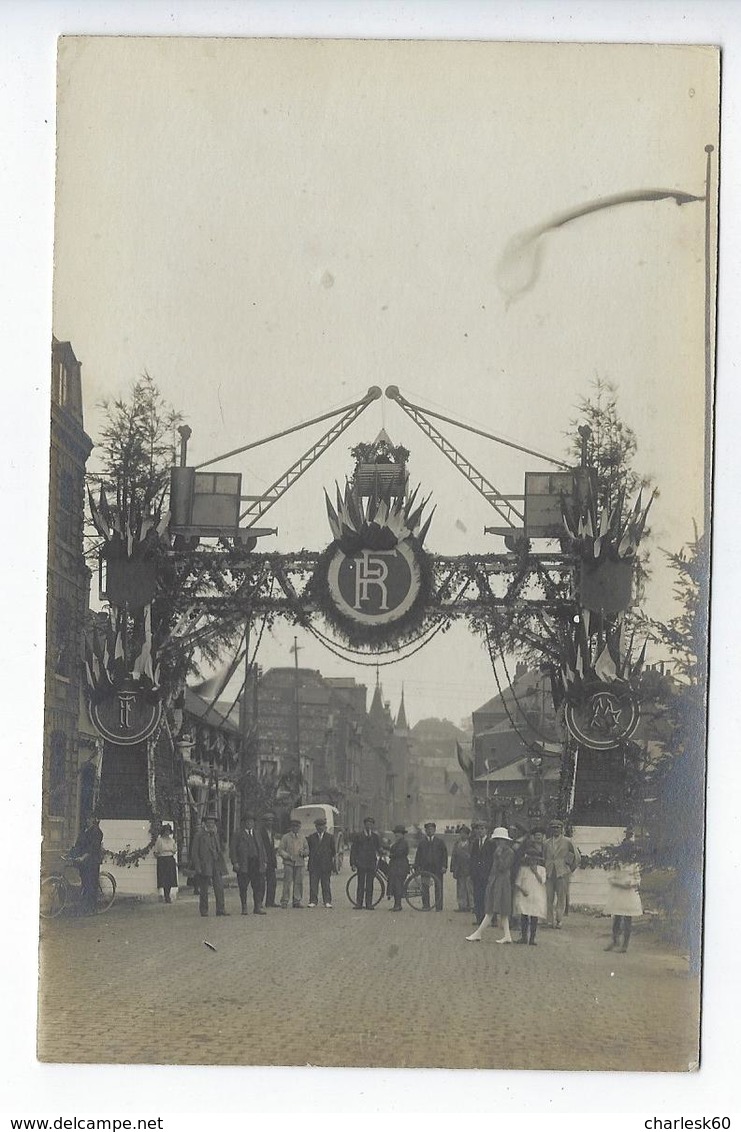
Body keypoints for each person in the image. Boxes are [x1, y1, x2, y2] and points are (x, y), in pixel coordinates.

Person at [466, 827, 515, 943]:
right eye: (497, 840)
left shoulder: (509, 852)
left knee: (491, 910)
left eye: (500, 840)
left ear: (505, 841)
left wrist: (498, 857)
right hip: (495, 881)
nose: (498, 842)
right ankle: (507, 935)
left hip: (502, 883)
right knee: (501, 910)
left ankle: (478, 933)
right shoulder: (498, 851)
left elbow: (504, 867)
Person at [603, 840, 643, 953]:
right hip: (618, 893)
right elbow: (610, 878)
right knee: (617, 918)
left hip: (629, 894)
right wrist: (620, 884)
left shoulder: (635, 865)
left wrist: (631, 883)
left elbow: (638, 879)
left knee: (628, 920)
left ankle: (625, 944)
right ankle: (615, 940)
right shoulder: (617, 863)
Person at [544, 819, 581, 928]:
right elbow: (544, 856)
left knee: (561, 897)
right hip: (549, 872)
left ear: (561, 829)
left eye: (557, 827)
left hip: (562, 873)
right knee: (548, 897)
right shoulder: (546, 842)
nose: (555, 830)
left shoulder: (567, 841)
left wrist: (569, 869)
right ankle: (549, 920)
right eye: (553, 827)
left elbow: (576, 856)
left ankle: (559, 920)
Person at [190, 816, 229, 917]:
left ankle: (220, 909)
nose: (211, 824)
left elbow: (219, 849)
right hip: (205, 864)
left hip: (216, 863)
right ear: (205, 823)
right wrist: (197, 866)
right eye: (209, 822)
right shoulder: (199, 835)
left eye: (212, 823)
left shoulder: (216, 834)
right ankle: (204, 910)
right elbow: (194, 852)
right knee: (204, 889)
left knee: (219, 887)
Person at [512, 832, 547, 945]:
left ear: (537, 860)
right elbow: (517, 882)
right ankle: (523, 937)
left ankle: (532, 938)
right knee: (524, 916)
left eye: (534, 860)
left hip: (536, 895)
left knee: (534, 917)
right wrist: (523, 890)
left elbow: (542, 881)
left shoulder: (541, 870)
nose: (532, 862)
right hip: (525, 895)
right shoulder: (523, 869)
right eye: (530, 860)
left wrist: (536, 872)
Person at [230, 811, 267, 915]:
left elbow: (262, 848)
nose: (250, 823)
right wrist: (235, 862)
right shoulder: (238, 834)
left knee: (257, 886)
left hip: (256, 863)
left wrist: (264, 861)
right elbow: (232, 849)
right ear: (244, 823)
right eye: (248, 821)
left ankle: (257, 907)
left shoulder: (257, 833)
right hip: (244, 864)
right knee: (243, 887)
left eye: (251, 821)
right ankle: (244, 907)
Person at [70, 814, 104, 914]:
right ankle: (85, 906)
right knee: (85, 883)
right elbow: (78, 845)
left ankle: (92, 909)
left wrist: (83, 857)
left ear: (93, 819)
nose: (87, 820)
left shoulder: (97, 832)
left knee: (91, 884)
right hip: (84, 862)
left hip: (92, 861)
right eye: (87, 818)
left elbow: (93, 848)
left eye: (89, 818)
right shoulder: (84, 831)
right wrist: (71, 854)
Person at [414, 821, 448, 911]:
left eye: (431, 829)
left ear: (435, 830)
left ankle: (439, 906)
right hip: (425, 868)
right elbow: (418, 855)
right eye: (428, 829)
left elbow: (444, 855)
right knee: (425, 887)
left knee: (438, 887)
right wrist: (417, 866)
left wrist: (444, 866)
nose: (430, 831)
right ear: (425, 831)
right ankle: (426, 905)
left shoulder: (440, 842)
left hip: (437, 868)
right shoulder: (422, 843)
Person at [350, 816, 382, 909]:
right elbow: (353, 850)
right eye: (367, 824)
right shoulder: (358, 836)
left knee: (370, 884)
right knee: (360, 884)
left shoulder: (375, 837)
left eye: (371, 824)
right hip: (361, 863)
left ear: (372, 825)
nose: (369, 825)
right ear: (364, 825)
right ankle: (359, 903)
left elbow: (378, 848)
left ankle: (369, 904)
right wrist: (353, 863)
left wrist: (382, 852)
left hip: (371, 863)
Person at [278, 818, 308, 909]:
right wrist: (287, 856)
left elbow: (307, 849)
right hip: (289, 863)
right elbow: (280, 850)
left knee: (298, 882)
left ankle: (297, 900)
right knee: (287, 882)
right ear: (291, 828)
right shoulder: (285, 837)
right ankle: (285, 901)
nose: (296, 828)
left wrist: (304, 852)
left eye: (297, 827)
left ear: (299, 827)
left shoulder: (302, 837)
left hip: (300, 863)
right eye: (294, 827)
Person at [307, 817, 337, 908]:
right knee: (313, 884)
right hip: (314, 864)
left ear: (325, 827)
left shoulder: (330, 837)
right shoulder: (311, 837)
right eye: (318, 826)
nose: (320, 828)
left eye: (322, 826)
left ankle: (327, 901)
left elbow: (333, 851)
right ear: (316, 827)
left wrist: (329, 861)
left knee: (326, 884)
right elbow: (309, 850)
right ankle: (313, 901)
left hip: (325, 864)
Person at [469, 820, 494, 925]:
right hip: (477, 875)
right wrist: (472, 872)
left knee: (487, 896)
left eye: (482, 829)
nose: (480, 831)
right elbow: (473, 858)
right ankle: (479, 918)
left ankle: (488, 919)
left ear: (487, 831)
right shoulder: (475, 843)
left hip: (486, 874)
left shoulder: (491, 843)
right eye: (478, 829)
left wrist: (490, 874)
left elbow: (492, 860)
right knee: (477, 896)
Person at [153, 822, 178, 904]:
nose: (167, 833)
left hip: (170, 859)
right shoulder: (159, 840)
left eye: (168, 831)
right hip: (162, 859)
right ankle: (165, 895)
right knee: (164, 878)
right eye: (166, 831)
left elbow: (174, 850)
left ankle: (168, 895)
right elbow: (156, 851)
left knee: (170, 878)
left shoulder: (172, 840)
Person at [450, 825, 473, 913]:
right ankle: (461, 905)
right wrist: (453, 868)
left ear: (468, 835)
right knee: (460, 888)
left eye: (464, 833)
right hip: (459, 869)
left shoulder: (471, 844)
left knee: (469, 888)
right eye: (461, 833)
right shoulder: (457, 844)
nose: (462, 835)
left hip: (468, 869)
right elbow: (453, 856)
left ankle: (471, 906)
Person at [387, 824, 410, 911]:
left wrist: (391, 855)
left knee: (398, 885)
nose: (397, 835)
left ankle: (398, 905)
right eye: (396, 833)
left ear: (402, 834)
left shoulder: (403, 843)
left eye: (399, 833)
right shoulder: (398, 842)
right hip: (396, 865)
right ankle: (396, 904)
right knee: (396, 884)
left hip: (400, 866)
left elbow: (399, 853)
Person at [259, 812, 279, 907]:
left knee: (272, 882)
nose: (270, 823)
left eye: (271, 820)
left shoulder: (273, 832)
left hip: (271, 860)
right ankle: (259, 902)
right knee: (261, 883)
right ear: (264, 822)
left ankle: (270, 901)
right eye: (268, 821)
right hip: (262, 860)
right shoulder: (259, 832)